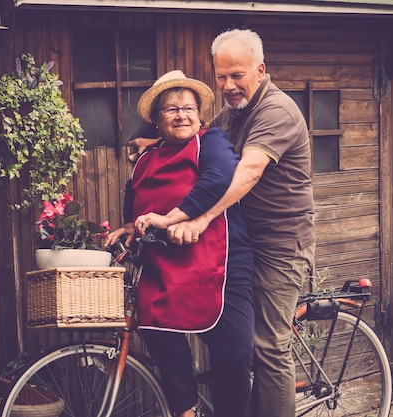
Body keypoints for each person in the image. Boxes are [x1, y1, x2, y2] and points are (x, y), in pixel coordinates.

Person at [133, 29, 316, 417]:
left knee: (269, 345)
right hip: (244, 242)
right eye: (221, 76)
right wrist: (156, 144)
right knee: (237, 343)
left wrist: (200, 218)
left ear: (261, 69)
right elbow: (197, 135)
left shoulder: (276, 111)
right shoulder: (232, 113)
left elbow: (246, 172)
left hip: (282, 244)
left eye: (237, 75)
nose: (229, 85)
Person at [106, 70, 255, 417]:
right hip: (166, 263)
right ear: (157, 120)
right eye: (171, 110)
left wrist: (173, 217)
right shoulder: (147, 156)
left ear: (199, 114)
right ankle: (186, 409)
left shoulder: (211, 141)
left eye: (188, 108)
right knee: (156, 328)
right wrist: (131, 223)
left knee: (233, 356)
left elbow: (220, 179)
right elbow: (136, 194)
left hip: (220, 263)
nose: (181, 115)